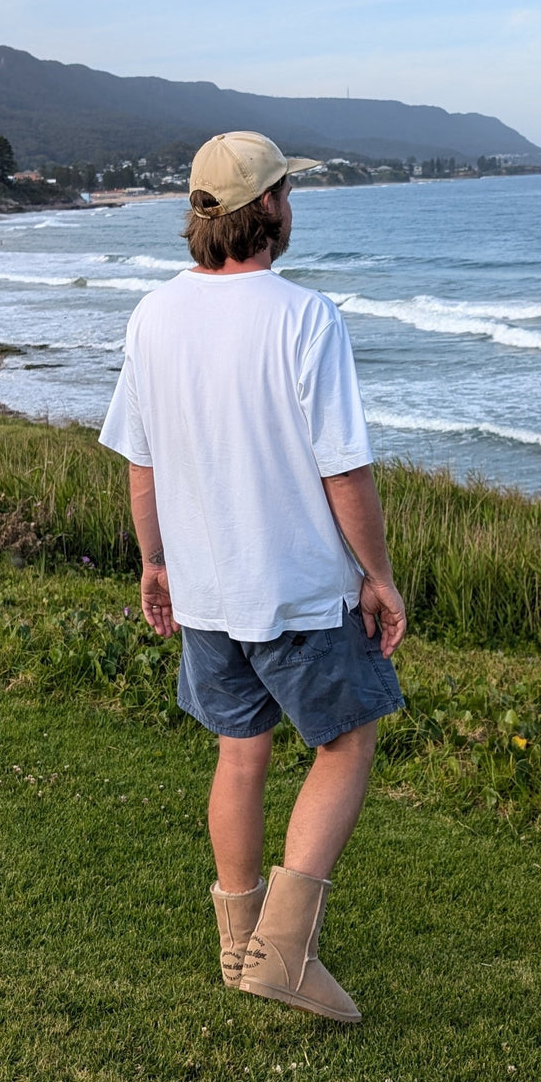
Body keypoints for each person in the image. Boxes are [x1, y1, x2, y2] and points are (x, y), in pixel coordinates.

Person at [99, 131, 406, 1023]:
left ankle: (240, 948)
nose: (292, 207)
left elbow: (141, 463)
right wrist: (377, 575)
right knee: (345, 741)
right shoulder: (305, 316)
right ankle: (282, 951)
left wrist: (155, 562)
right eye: (286, 193)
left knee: (241, 753)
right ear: (265, 208)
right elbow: (343, 469)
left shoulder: (154, 314)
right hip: (297, 589)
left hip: (206, 588)